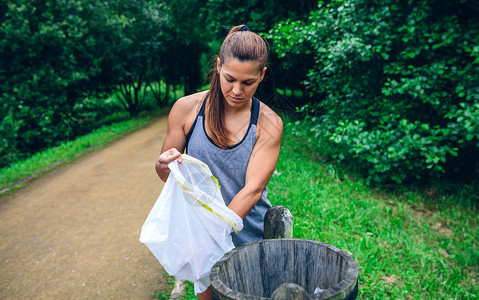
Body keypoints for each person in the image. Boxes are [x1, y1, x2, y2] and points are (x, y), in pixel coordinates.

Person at [155, 24, 283, 300]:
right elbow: (167, 175)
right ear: (218, 66)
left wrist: (213, 235)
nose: (237, 90)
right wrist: (165, 165)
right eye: (229, 79)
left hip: (249, 237)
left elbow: (253, 189)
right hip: (200, 237)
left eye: (248, 82)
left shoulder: (268, 123)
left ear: (262, 75)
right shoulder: (186, 109)